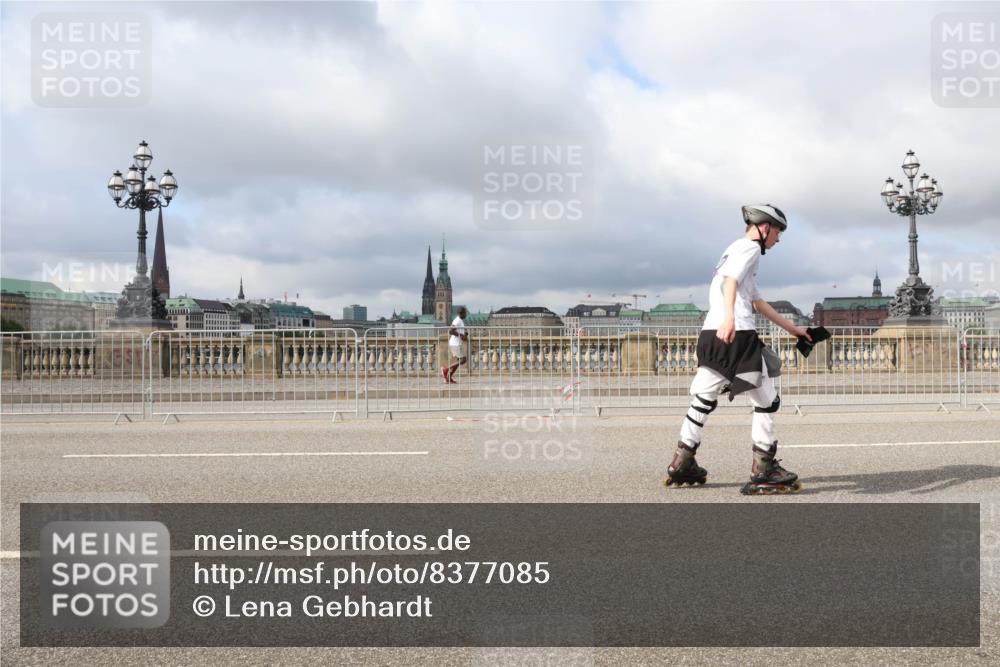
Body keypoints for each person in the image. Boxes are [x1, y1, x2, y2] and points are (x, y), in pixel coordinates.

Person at [664, 204, 812, 495]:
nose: (778, 240)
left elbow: (757, 302)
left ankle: (682, 460)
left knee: (703, 399)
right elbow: (731, 283)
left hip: (711, 334)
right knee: (767, 400)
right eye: (778, 233)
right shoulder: (750, 249)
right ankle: (764, 468)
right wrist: (731, 318)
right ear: (765, 227)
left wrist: (794, 330)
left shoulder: (732, 251)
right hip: (737, 334)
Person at [443, 307, 468, 384]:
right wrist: (461, 335)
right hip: (455, 343)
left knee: (459, 361)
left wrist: (464, 335)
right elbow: (451, 331)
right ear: (462, 313)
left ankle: (448, 378)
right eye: (465, 313)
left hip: (455, 343)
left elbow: (458, 332)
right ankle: (446, 369)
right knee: (463, 360)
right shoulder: (457, 320)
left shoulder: (459, 320)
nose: (466, 314)